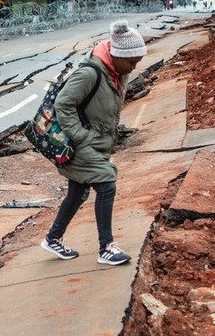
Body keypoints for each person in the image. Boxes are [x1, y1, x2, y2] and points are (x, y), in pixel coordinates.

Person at [41, 20, 147, 266]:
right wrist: (81, 136)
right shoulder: (91, 72)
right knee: (106, 184)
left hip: (96, 143)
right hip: (81, 144)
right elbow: (63, 103)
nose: (135, 66)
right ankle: (106, 248)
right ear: (117, 55)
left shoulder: (117, 73)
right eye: (132, 61)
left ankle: (53, 238)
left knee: (77, 192)